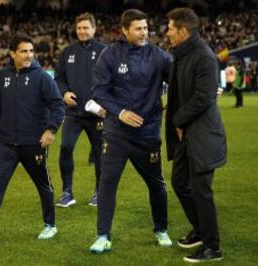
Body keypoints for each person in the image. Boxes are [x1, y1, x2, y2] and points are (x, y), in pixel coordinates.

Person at [89, 9, 173, 254]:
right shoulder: (110, 55)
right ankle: (103, 235)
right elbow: (99, 91)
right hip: (116, 134)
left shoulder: (159, 56)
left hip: (147, 135)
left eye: (146, 28)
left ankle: (161, 229)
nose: (144, 32)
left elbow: (181, 78)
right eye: (138, 28)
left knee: (156, 184)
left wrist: (207, 86)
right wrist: (121, 112)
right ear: (124, 30)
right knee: (107, 183)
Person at [0, 33, 65, 243]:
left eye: (31, 51)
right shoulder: (2, 76)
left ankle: (50, 225)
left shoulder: (42, 77)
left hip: (34, 143)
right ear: (12, 53)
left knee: (43, 185)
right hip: (7, 144)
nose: (29, 55)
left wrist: (51, 130)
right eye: (23, 51)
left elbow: (58, 105)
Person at [165, 8, 227, 263]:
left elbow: (203, 97)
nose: (167, 32)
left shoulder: (203, 56)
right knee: (180, 183)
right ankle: (201, 230)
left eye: (170, 28)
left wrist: (178, 120)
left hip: (202, 135)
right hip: (187, 134)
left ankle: (213, 247)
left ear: (183, 31)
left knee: (202, 191)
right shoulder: (182, 54)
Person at [55, 13, 106, 207]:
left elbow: (112, 79)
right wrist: (64, 93)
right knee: (66, 148)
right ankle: (67, 192)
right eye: (79, 28)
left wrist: (105, 102)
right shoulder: (67, 52)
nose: (82, 31)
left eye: (85, 28)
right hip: (73, 113)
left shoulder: (104, 51)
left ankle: (99, 192)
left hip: (97, 114)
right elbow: (58, 78)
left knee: (100, 153)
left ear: (94, 28)